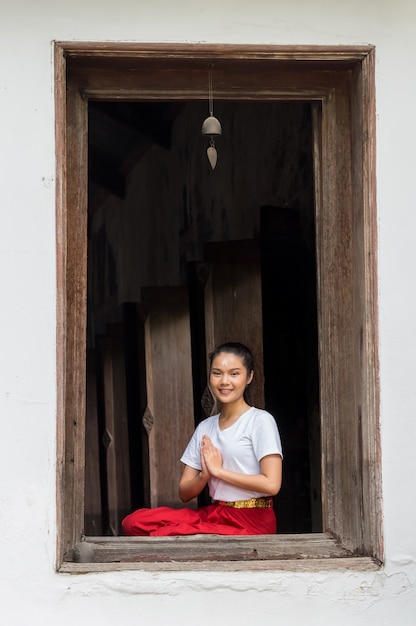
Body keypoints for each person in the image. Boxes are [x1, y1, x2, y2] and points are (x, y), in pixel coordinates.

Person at [122, 341, 283, 536]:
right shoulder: (205, 427)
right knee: (135, 522)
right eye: (217, 373)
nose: (224, 381)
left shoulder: (260, 420)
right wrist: (204, 476)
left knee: (171, 535)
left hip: (252, 520)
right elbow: (184, 492)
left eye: (234, 373)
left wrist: (219, 471)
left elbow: (272, 485)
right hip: (216, 514)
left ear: (249, 377)